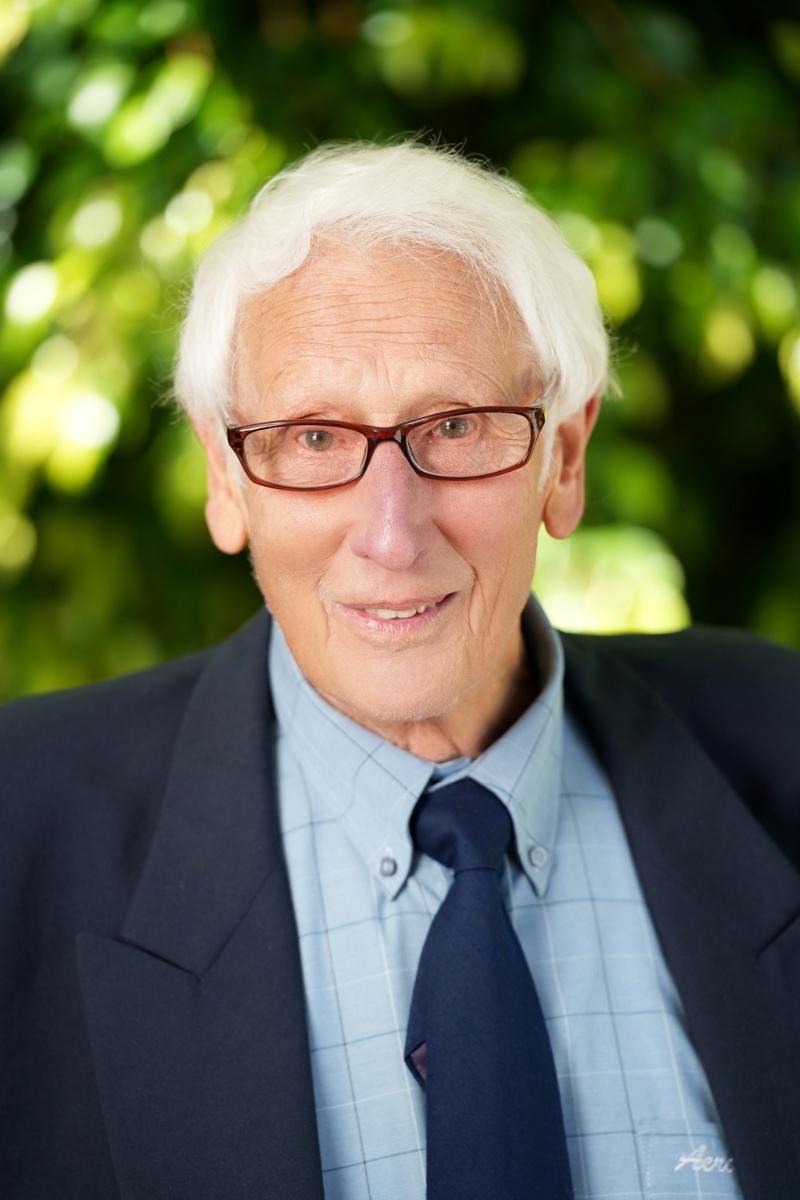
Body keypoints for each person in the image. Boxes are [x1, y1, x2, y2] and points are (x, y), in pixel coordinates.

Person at [1, 141, 798, 1200]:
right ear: (225, 478)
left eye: (456, 424)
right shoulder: (19, 827)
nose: (390, 534)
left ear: (564, 458)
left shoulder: (782, 734)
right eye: (313, 437)